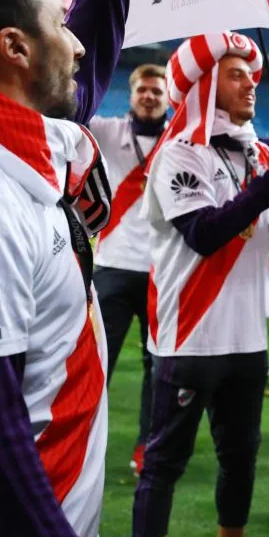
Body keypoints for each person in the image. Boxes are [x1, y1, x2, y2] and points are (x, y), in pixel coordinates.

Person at [0, 0, 153, 537]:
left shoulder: (35, 145)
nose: (78, 41)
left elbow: (84, 73)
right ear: (16, 47)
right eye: (61, 22)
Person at [132, 32, 269, 537]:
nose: (251, 83)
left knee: (240, 461)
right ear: (207, 84)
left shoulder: (259, 154)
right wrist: (268, 186)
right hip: (189, 335)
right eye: (237, 75)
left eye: (252, 75)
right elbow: (205, 235)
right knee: (164, 465)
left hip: (246, 338)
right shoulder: (177, 155)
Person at [89, 63, 169, 476]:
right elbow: (73, 107)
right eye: (144, 90)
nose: (150, 97)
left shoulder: (178, 140)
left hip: (162, 271)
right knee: (96, 362)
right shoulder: (107, 131)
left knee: (157, 370)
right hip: (113, 266)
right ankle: (82, 441)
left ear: (168, 97)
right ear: (132, 94)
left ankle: (147, 446)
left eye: (158, 91)